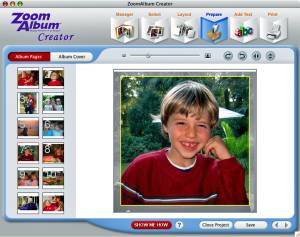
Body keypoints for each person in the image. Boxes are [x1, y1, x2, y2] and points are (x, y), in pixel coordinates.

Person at [121, 81, 248, 205]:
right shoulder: (141, 169)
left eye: (201, 125)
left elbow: (237, 213)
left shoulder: (216, 171)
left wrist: (227, 160)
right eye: (181, 123)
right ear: (165, 124)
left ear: (211, 129)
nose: (191, 134)